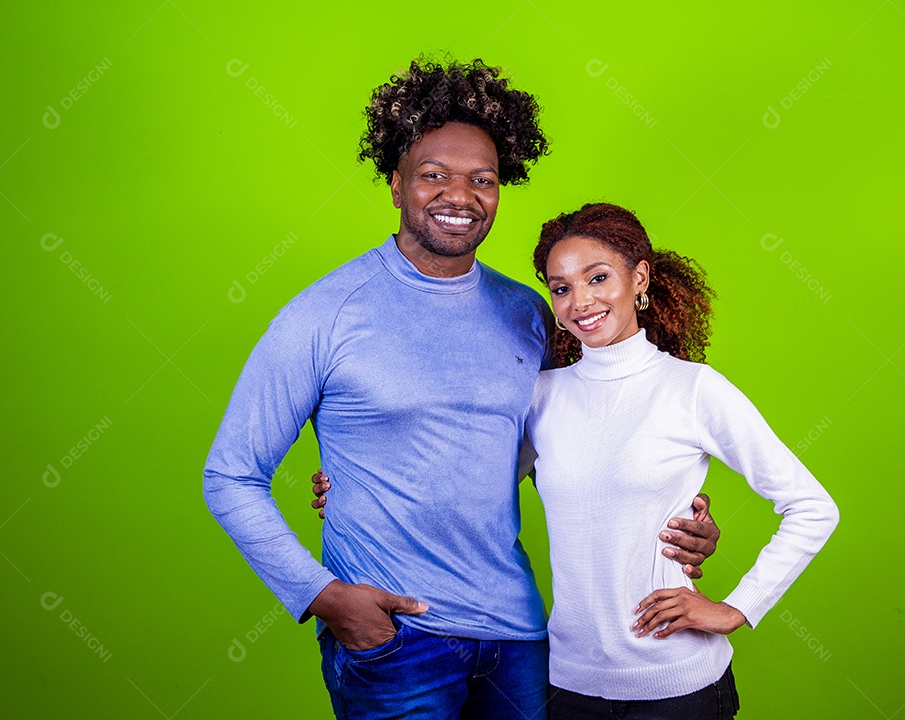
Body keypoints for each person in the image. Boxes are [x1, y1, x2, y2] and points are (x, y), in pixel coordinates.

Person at [203, 58, 719, 720]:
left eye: (482, 179)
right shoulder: (323, 314)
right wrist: (324, 597)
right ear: (396, 184)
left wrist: (677, 515)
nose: (460, 195)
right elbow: (230, 475)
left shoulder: (529, 312)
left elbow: (572, 447)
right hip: (395, 641)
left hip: (520, 637)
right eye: (433, 175)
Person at [527, 202, 840, 718]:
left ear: (639, 278)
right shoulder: (541, 395)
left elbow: (812, 507)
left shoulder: (691, 389)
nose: (580, 301)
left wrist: (737, 607)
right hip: (569, 685)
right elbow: (476, 493)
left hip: (678, 687)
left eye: (598, 278)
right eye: (561, 288)